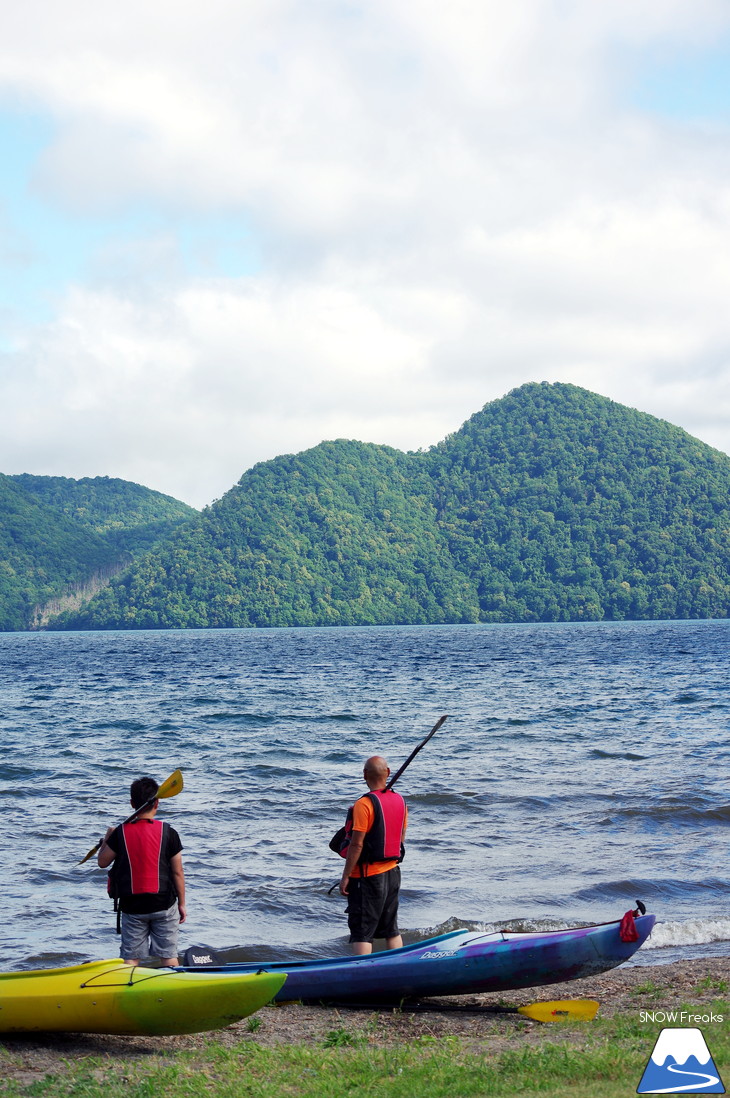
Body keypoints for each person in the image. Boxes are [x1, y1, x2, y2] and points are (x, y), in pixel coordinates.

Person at [97, 775, 186, 966]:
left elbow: (102, 862)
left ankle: (130, 990)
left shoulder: (120, 832)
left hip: (133, 906)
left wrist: (107, 837)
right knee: (169, 955)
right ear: (157, 803)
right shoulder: (169, 832)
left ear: (132, 803)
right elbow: (178, 872)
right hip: (164, 904)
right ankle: (173, 988)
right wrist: (182, 904)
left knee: (131, 958)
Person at [338, 755, 408, 955]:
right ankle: (398, 967)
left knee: (362, 931)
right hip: (393, 872)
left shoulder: (364, 804)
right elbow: (401, 837)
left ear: (364, 775)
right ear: (387, 773)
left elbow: (356, 845)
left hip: (367, 877)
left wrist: (346, 877)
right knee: (391, 928)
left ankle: (361, 974)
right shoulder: (401, 800)